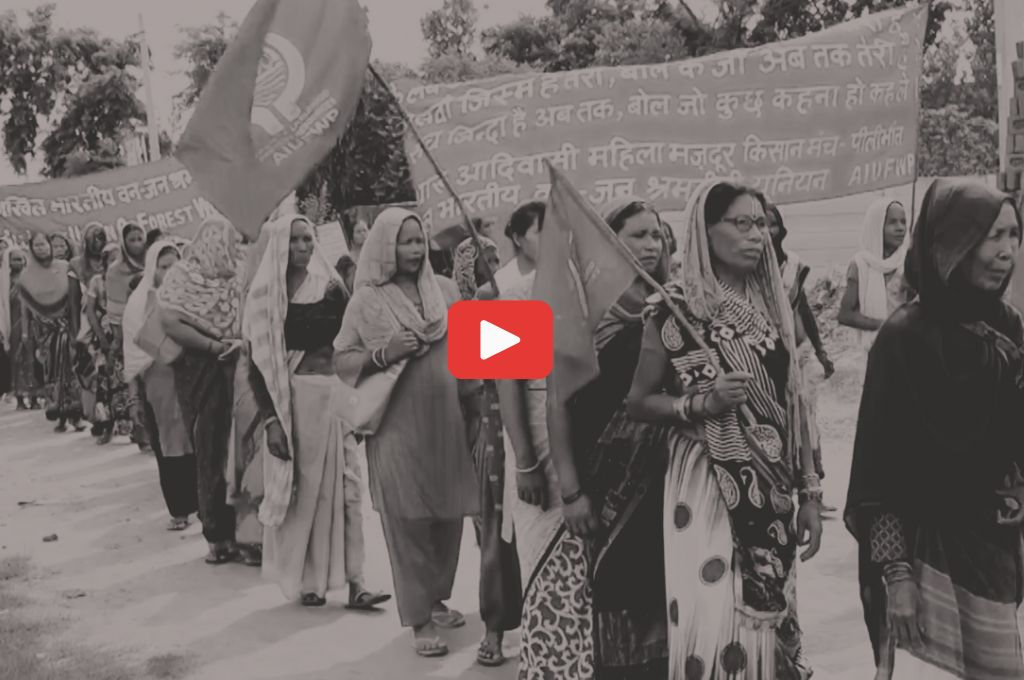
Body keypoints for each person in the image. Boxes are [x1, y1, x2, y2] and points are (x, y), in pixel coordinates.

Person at [626, 180, 824, 680]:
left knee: (769, 620)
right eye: (741, 223)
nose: (757, 234)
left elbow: (794, 403)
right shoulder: (676, 310)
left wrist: (810, 494)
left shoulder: (774, 302)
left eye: (761, 223)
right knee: (716, 616)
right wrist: (700, 403)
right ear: (704, 230)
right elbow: (639, 401)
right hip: (707, 482)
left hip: (773, 487)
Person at [845, 179, 1024, 680]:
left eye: (1014, 234)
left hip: (993, 550)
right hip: (924, 563)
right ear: (950, 244)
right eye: (991, 236)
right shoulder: (903, 340)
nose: (1006, 250)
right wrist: (897, 579)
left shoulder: (1006, 327)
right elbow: (877, 479)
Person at [333, 208, 479, 658]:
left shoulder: (448, 292)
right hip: (396, 429)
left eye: (420, 240)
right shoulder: (366, 302)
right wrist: (383, 354)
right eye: (405, 241)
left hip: (450, 422)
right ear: (383, 247)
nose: (415, 250)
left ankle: (436, 599)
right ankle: (418, 619)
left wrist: (525, 329)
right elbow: (341, 362)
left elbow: (477, 348)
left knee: (449, 515)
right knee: (408, 518)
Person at [538, 198, 673, 680]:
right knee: (615, 590)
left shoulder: (675, 307)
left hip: (664, 482)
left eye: (657, 234)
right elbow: (550, 399)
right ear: (607, 244)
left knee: (665, 592)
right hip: (602, 481)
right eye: (638, 235)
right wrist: (568, 489)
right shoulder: (575, 311)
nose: (652, 244)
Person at [245, 214, 390, 609]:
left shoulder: (332, 288)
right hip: (295, 403)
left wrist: (359, 400)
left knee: (348, 489)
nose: (303, 246)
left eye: (308, 238)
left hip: (335, 397)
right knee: (306, 495)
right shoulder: (265, 298)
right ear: (280, 246)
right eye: (294, 240)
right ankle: (310, 580)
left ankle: (357, 580)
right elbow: (257, 363)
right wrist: (272, 421)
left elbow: (351, 343)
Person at [451, 235, 522, 667]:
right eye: (485, 257)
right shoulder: (475, 306)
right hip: (491, 425)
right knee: (496, 529)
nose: (493, 263)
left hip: (539, 422)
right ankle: (495, 628)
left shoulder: (528, 292)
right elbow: (478, 375)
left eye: (498, 256)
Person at [159, 217, 244, 566]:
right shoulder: (183, 275)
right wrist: (212, 346)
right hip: (201, 370)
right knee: (210, 449)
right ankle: (216, 534)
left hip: (237, 364)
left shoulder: (239, 273)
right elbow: (169, 321)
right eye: (228, 242)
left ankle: (246, 532)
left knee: (240, 449)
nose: (233, 249)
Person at [123, 240, 198, 531]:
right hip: (158, 380)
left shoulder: (191, 294)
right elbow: (132, 354)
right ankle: (179, 509)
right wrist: (134, 396)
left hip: (190, 375)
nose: (170, 271)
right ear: (153, 268)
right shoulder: (139, 302)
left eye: (175, 265)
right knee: (168, 444)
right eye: (164, 266)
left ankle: (202, 505)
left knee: (197, 438)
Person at [766, 203, 833, 492]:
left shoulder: (792, 267)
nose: (766, 231)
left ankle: (809, 481)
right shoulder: (745, 270)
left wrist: (820, 351)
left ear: (781, 229)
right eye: (759, 224)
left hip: (797, 358)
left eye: (772, 224)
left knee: (804, 418)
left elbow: (802, 309)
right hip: (766, 357)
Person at [19, 233, 84, 431]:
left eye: (43, 244)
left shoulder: (65, 267)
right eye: (36, 245)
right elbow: (26, 307)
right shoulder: (26, 274)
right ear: (31, 248)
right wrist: (25, 334)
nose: (41, 248)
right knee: (51, 372)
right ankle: (59, 415)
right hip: (44, 331)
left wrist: (75, 327)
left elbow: (74, 298)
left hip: (66, 325)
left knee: (71, 369)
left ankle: (76, 415)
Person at [838, 199, 910, 347]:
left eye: (903, 222)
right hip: (873, 347)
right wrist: (884, 326)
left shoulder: (908, 263)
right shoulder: (860, 264)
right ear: (875, 226)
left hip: (905, 345)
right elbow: (845, 315)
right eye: (892, 222)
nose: (900, 228)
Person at [83, 245, 134, 444]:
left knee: (128, 381)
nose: (115, 263)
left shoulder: (130, 278)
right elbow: (90, 311)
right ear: (103, 262)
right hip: (106, 336)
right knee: (106, 382)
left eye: (119, 258)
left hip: (128, 334)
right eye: (111, 259)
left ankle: (134, 429)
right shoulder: (97, 281)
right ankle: (107, 427)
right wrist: (102, 339)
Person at [106, 223, 148, 449]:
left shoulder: (153, 263)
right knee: (135, 384)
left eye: (140, 238)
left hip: (155, 328)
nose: (137, 244)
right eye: (132, 239)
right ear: (124, 243)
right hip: (129, 331)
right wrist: (119, 338)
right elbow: (114, 310)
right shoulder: (114, 271)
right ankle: (141, 435)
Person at [70, 223, 109, 422]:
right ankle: (94, 416)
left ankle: (109, 416)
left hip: (109, 320)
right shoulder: (76, 264)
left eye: (101, 237)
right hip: (88, 321)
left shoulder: (112, 259)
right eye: (93, 238)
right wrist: (76, 332)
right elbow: (74, 302)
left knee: (107, 371)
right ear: (85, 241)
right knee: (89, 372)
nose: (98, 242)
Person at [476, 200, 544, 301]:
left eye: (550, 231)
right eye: (538, 232)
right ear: (517, 239)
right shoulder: (502, 282)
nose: (546, 238)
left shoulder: (564, 272)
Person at [5, 246, 39, 410]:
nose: (19, 262)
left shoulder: (31, 278)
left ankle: (34, 398)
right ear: (8, 262)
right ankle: (19, 398)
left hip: (31, 325)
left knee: (31, 360)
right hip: (12, 327)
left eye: (21, 258)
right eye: (15, 259)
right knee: (17, 361)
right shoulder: (5, 281)